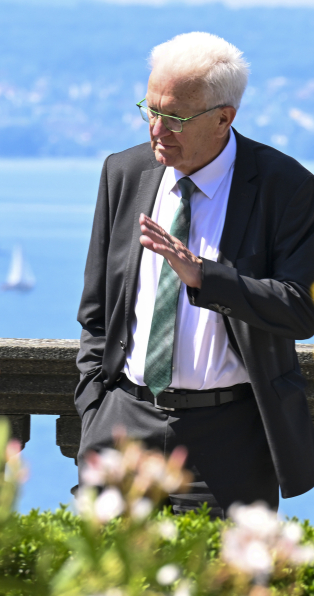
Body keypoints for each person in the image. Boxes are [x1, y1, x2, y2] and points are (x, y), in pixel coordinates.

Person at [75, 31, 314, 517]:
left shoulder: (285, 187)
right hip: (122, 427)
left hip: (229, 440)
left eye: (176, 118)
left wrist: (205, 277)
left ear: (224, 118)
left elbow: (300, 309)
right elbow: (96, 313)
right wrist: (94, 410)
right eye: (152, 110)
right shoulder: (124, 172)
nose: (158, 130)